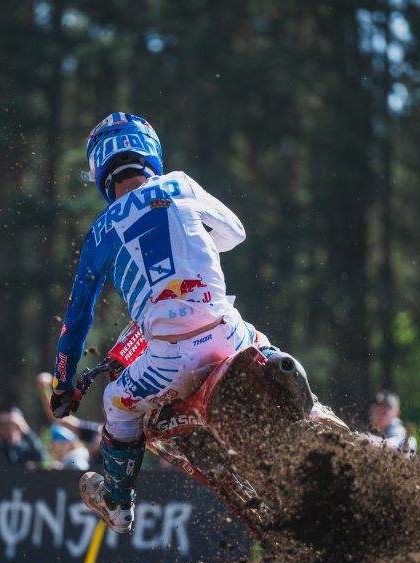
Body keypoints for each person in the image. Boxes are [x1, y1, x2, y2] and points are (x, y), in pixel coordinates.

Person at [49, 112, 271, 534]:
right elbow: (235, 234)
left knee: (116, 402)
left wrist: (62, 385)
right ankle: (323, 418)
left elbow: (75, 321)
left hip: (170, 359)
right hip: (228, 333)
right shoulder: (182, 183)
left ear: (100, 170)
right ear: (150, 150)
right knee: (265, 352)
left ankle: (118, 503)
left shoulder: (100, 232)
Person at [368, 390, 416, 456]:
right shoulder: (373, 430)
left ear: (397, 413)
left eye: (385, 411)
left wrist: (367, 440)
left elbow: (395, 443)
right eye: (377, 410)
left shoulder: (398, 429)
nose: (380, 413)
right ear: (371, 412)